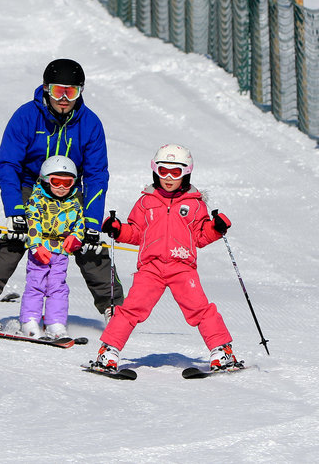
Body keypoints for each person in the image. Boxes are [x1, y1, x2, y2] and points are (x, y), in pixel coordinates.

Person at [0, 58, 124, 329]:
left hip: (68, 192)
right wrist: (15, 210)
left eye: (72, 92)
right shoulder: (26, 116)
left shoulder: (89, 124)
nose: (65, 99)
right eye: (59, 91)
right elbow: (8, 163)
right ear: (46, 89)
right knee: (15, 237)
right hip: (30, 186)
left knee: (89, 243)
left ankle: (115, 307)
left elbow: (96, 175)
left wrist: (91, 222)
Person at [92, 144, 240, 372]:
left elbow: (200, 237)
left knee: (200, 309)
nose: (169, 178)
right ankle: (108, 352)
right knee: (130, 309)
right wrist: (118, 229)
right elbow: (136, 232)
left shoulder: (194, 204)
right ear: (155, 171)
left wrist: (217, 228)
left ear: (186, 173)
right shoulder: (145, 202)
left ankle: (222, 351)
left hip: (182, 267)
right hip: (151, 268)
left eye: (176, 172)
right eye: (163, 172)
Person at [20, 155, 85, 339]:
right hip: (41, 251)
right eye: (57, 182)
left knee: (58, 287)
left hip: (61, 253)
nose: (62, 187)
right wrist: (35, 246)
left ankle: (55, 323)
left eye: (68, 182)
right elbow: (33, 224)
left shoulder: (73, 203)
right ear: (46, 180)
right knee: (36, 285)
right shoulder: (37, 201)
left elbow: (79, 223)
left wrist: (75, 237)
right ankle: (29, 320)